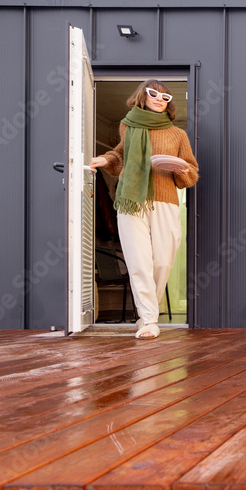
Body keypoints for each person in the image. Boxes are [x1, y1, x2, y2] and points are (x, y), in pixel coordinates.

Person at [89, 80, 198, 339]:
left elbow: (191, 172)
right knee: (139, 262)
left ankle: (148, 313)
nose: (160, 99)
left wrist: (182, 170)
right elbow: (120, 155)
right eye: (153, 93)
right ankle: (148, 319)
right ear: (143, 96)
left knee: (161, 261)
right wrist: (104, 159)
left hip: (165, 201)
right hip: (131, 200)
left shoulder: (177, 134)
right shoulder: (128, 125)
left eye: (165, 97)